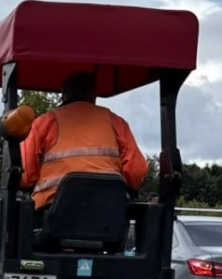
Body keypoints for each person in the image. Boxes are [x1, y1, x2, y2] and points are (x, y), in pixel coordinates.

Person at [19, 71, 148, 215]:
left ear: (64, 95)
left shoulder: (43, 123)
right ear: (93, 94)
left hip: (54, 215)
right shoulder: (116, 123)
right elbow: (137, 171)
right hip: (108, 213)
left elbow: (25, 174)